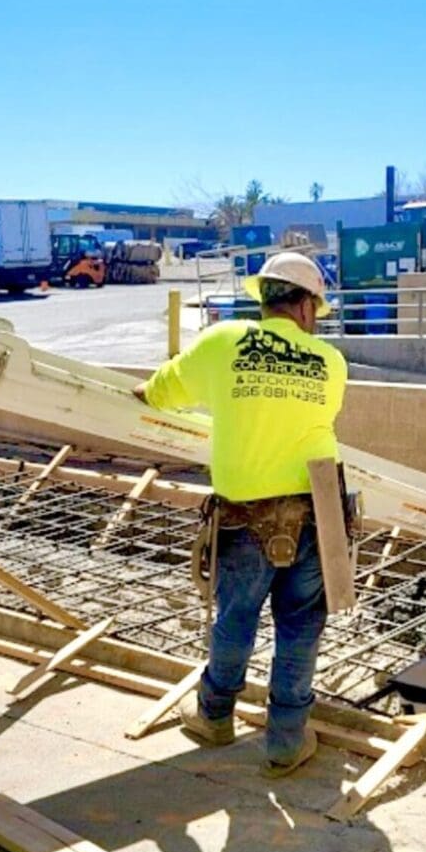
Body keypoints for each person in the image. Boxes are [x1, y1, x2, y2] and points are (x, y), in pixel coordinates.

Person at [134, 252, 347, 777]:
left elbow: (161, 393)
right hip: (317, 509)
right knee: (300, 624)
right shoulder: (329, 362)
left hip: (244, 513)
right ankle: (284, 743)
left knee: (237, 617)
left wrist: (142, 393)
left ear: (265, 298)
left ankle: (214, 716)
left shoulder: (222, 342)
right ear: (304, 306)